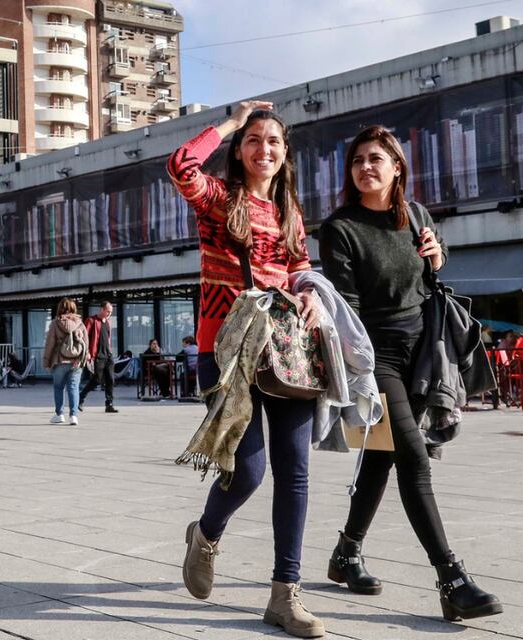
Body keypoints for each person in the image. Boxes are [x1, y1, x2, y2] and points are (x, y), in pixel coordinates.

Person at [318, 124, 502, 622]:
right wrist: (358, 375)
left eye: (376, 158)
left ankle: (346, 553)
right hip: (375, 358)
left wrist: (439, 257)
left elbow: (430, 269)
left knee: (382, 457)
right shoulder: (340, 228)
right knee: (414, 458)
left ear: (397, 167)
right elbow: (346, 309)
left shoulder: (416, 214)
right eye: (358, 160)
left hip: (423, 354)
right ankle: (452, 578)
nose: (366, 167)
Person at [168, 100, 324, 637]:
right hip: (225, 351)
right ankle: (206, 533)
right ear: (239, 151)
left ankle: (285, 594)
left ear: (285, 153)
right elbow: (181, 166)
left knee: (295, 471)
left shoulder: (289, 212)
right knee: (249, 471)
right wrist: (231, 122)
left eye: (273, 141)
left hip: (283, 352)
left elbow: (299, 266)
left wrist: (310, 293)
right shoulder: (218, 200)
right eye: (253, 140)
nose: (264, 149)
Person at [42, 297, 88, 426]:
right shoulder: (80, 323)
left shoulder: (56, 323)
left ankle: (59, 414)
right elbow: (86, 344)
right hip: (76, 362)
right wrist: (82, 360)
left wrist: (46, 362)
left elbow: (50, 344)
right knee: (73, 388)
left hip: (60, 360)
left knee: (58, 387)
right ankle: (73, 416)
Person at [79, 302, 118, 413]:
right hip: (97, 355)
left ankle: (109, 404)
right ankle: (81, 397)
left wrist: (110, 351)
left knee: (110, 379)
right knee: (97, 380)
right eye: (108, 311)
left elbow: (108, 338)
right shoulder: (91, 320)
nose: (109, 314)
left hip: (108, 355)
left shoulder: (108, 322)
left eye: (111, 312)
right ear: (101, 309)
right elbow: (84, 338)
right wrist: (87, 352)